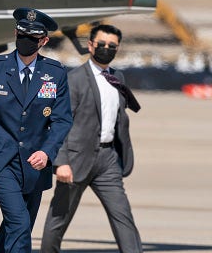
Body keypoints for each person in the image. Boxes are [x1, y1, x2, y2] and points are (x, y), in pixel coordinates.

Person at [0, 8, 73, 252]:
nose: (26, 41)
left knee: (15, 227)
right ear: (15, 33)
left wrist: (47, 152)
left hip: (35, 164)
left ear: (44, 41)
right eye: (21, 34)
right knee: (20, 223)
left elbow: (62, 120)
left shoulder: (54, 74)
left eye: (33, 37)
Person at [40, 24, 143, 253]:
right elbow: (59, 122)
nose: (107, 48)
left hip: (107, 160)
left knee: (123, 217)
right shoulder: (74, 79)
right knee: (58, 220)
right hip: (75, 160)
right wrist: (61, 161)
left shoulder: (118, 77)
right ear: (90, 45)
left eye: (112, 46)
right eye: (102, 44)